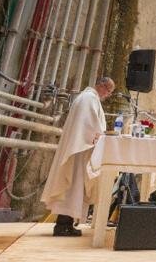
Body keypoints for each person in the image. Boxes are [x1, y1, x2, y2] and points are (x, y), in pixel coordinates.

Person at [41, 77, 114, 236]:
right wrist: (99, 135)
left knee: (74, 189)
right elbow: (90, 125)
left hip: (80, 147)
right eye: (108, 91)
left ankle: (66, 224)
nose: (107, 95)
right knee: (72, 187)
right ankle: (62, 225)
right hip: (79, 150)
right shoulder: (89, 99)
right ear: (101, 86)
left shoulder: (87, 97)